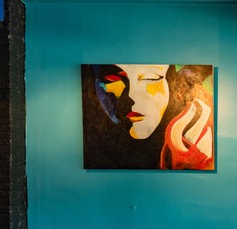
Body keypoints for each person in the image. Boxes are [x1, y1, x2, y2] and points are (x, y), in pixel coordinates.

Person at [82, 64, 214, 170]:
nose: (132, 96)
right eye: (113, 81)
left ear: (171, 84)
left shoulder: (200, 127)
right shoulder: (93, 149)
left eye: (151, 78)